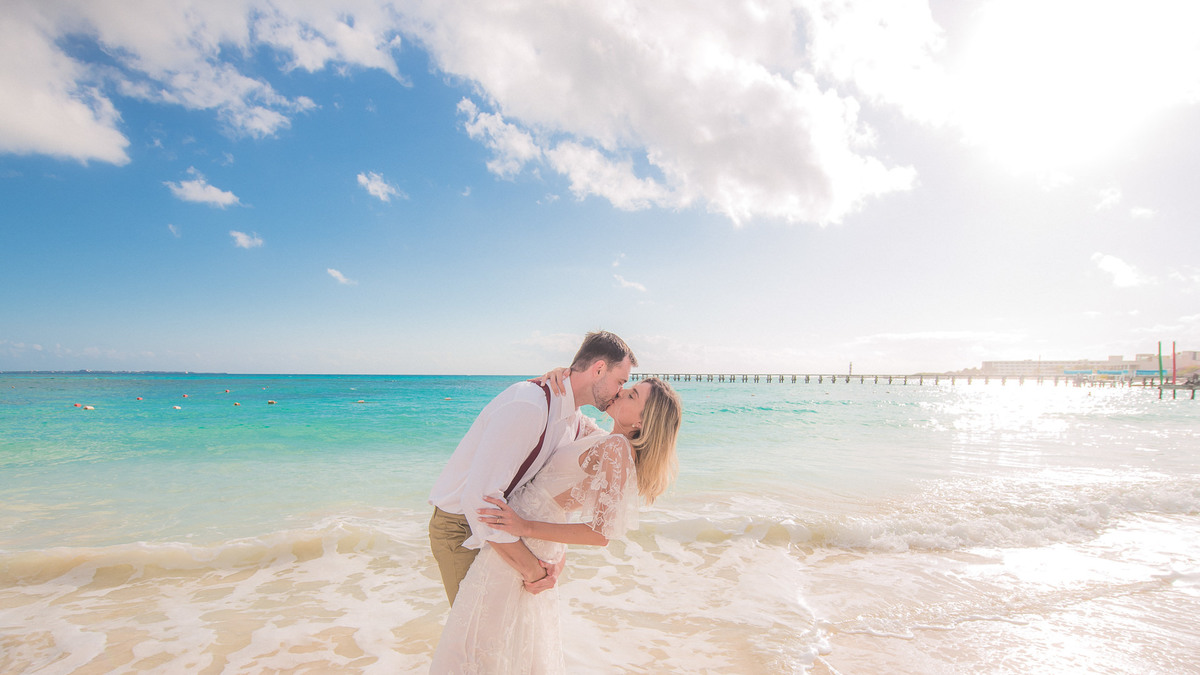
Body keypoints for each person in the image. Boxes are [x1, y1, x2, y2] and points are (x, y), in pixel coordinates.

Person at [429, 376, 682, 674]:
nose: (623, 391)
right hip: (524, 538)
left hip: (524, 537)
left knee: (480, 646)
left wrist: (524, 527)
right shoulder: (601, 436)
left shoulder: (616, 448)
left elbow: (601, 534)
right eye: (628, 385)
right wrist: (563, 374)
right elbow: (571, 402)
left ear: (641, 422)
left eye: (632, 396)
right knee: (496, 644)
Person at [428, 331, 637, 605]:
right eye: (620, 381)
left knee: (501, 641)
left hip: (502, 532)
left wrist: (555, 562)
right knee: (476, 643)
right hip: (463, 527)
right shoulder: (529, 405)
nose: (620, 391)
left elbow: (599, 461)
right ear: (599, 369)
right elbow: (478, 501)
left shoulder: (574, 419)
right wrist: (534, 571)